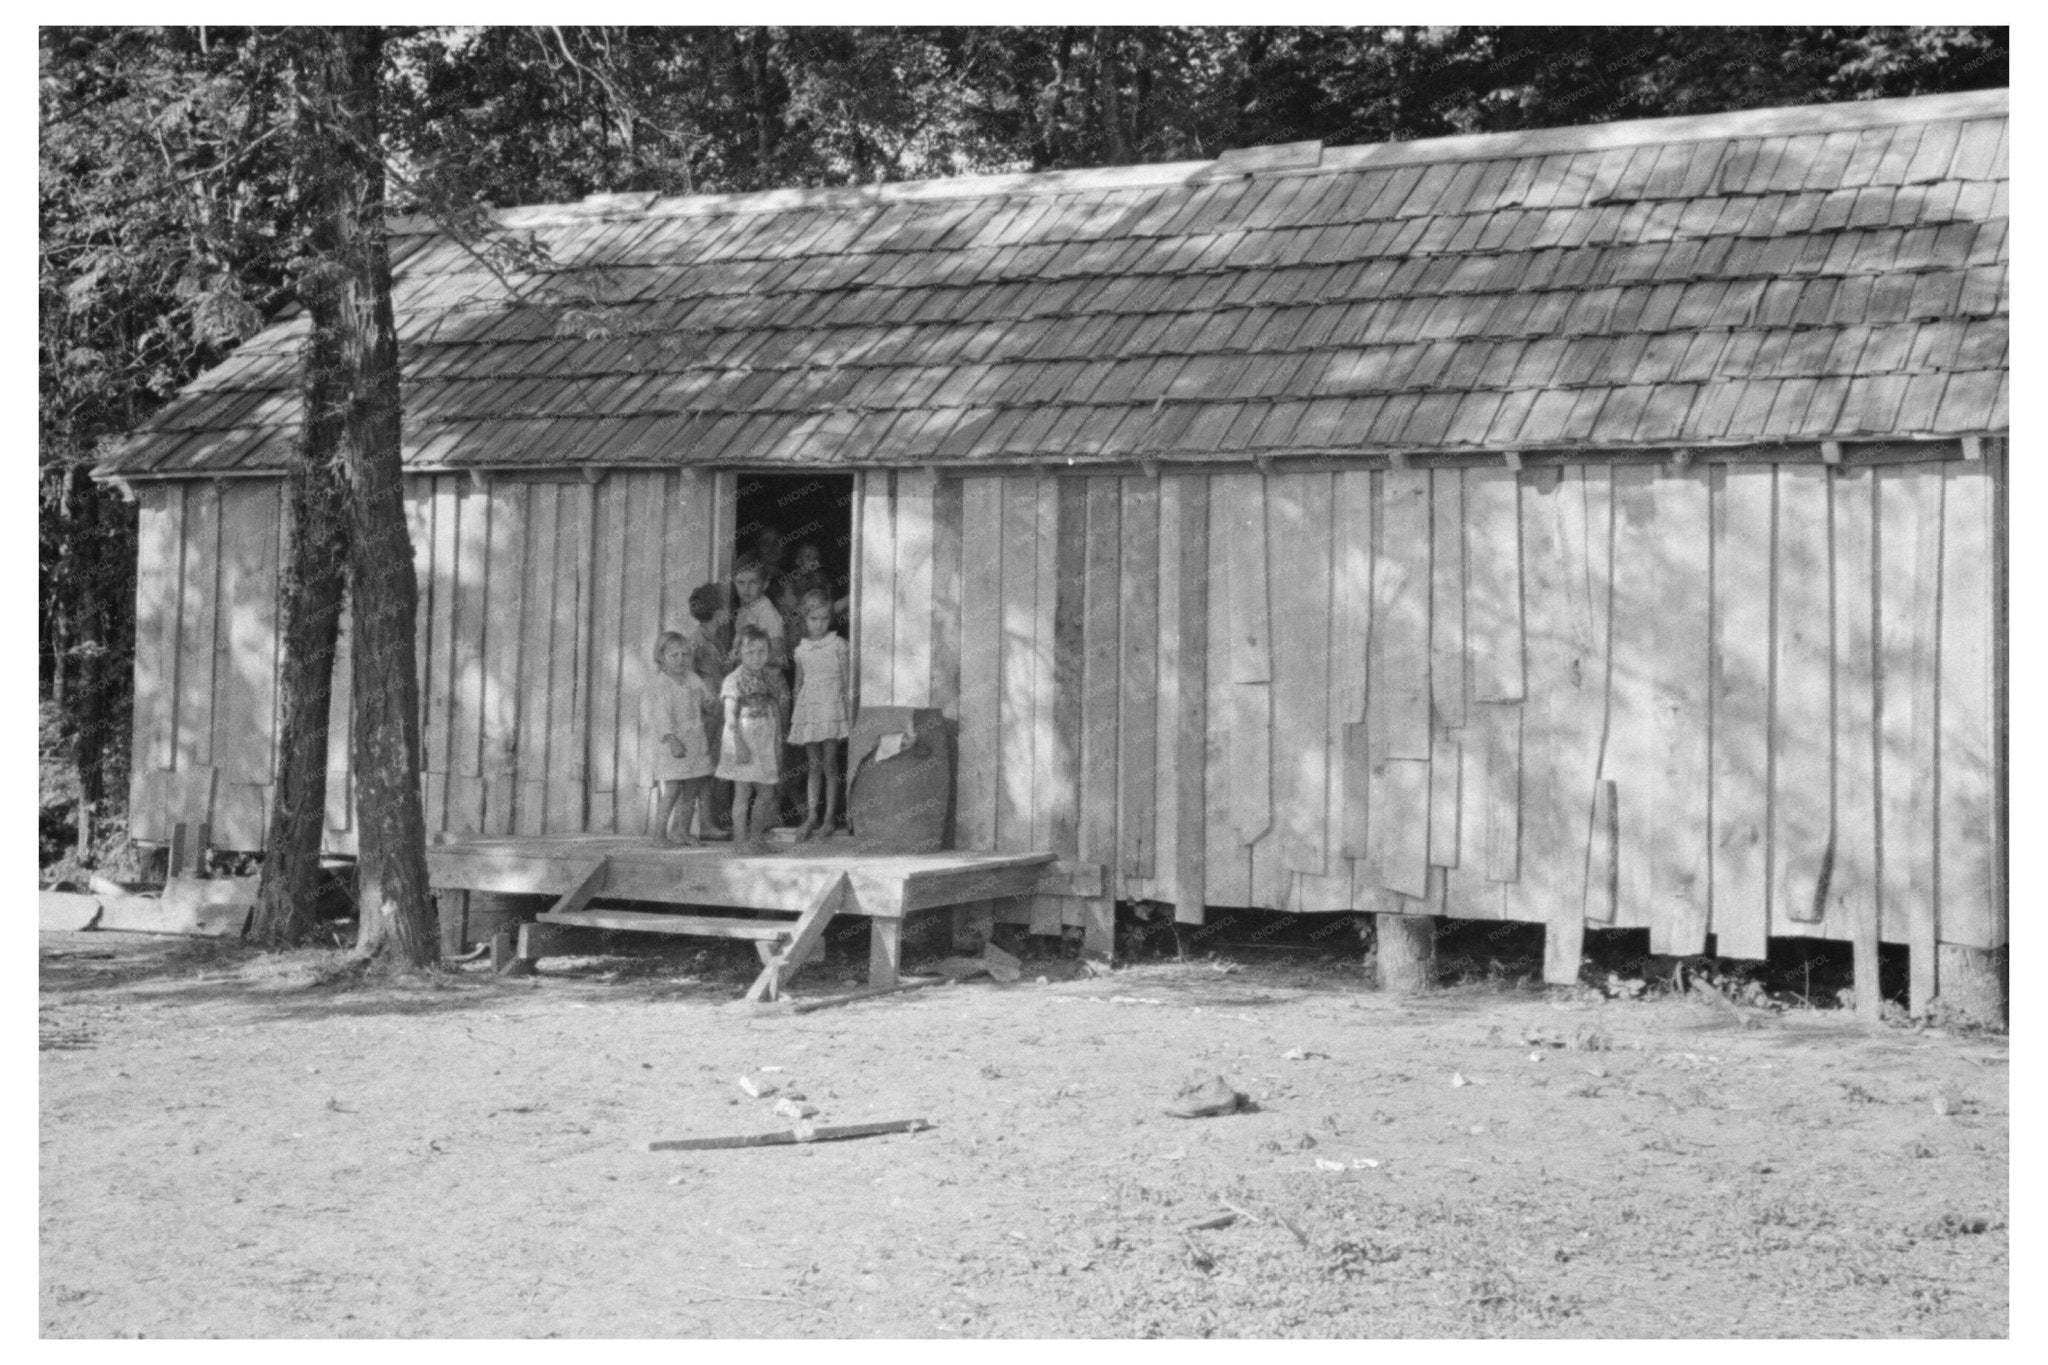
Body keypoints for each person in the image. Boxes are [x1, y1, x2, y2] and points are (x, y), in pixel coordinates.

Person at [716, 624, 788, 853]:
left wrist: (777, 740)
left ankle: (756, 839)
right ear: (739, 653)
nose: (757, 657)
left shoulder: (768, 677)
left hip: (764, 739)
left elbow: (774, 707)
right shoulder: (733, 679)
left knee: (767, 791)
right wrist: (739, 745)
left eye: (762, 652)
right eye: (750, 652)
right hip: (744, 740)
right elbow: (729, 716)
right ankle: (740, 843)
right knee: (743, 791)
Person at [787, 591, 850, 839]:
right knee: (813, 765)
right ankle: (812, 815)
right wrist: (797, 715)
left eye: (824, 618)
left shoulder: (838, 645)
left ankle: (829, 818)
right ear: (805, 620)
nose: (819, 623)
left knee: (830, 764)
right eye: (813, 618)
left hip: (831, 708)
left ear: (830, 619)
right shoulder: (801, 650)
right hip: (810, 708)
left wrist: (847, 710)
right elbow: (798, 683)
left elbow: (846, 682)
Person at [644, 631, 717, 845]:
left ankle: (681, 830)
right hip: (672, 745)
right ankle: (659, 834)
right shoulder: (662, 685)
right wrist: (672, 739)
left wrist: (710, 704)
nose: (680, 660)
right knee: (673, 789)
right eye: (674, 655)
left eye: (685, 654)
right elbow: (661, 716)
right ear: (661, 657)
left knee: (692, 788)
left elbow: (706, 698)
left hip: (694, 741)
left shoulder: (692, 678)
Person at [727, 559, 786, 670]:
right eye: (741, 582)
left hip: (766, 679)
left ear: (764, 584)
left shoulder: (767, 613)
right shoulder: (744, 608)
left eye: (753, 582)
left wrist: (745, 655)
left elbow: (780, 656)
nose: (746, 588)